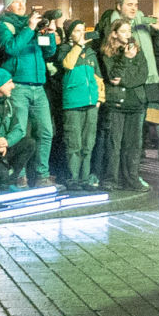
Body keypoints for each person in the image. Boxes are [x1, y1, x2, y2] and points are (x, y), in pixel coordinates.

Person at [0, 0, 56, 189]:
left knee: (46, 131)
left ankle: (42, 174)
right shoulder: (4, 25)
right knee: (20, 132)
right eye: (16, 2)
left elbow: (49, 52)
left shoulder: (32, 26)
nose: (21, 5)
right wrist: (29, 28)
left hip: (38, 86)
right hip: (18, 85)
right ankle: (20, 175)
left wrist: (49, 35)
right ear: (7, 6)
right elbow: (10, 48)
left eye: (22, 1)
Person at [98, 0, 159, 192]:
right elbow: (112, 76)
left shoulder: (137, 47)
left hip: (136, 101)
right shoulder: (109, 51)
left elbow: (141, 74)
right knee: (114, 144)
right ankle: (111, 179)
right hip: (117, 103)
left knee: (134, 145)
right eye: (123, 31)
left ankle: (131, 179)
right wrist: (126, 60)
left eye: (129, 31)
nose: (128, 34)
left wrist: (126, 79)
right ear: (115, 33)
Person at [54, 15, 102, 188]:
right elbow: (67, 64)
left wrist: (99, 99)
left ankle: (85, 178)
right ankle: (73, 178)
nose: (81, 34)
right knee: (74, 143)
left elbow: (98, 78)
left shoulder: (90, 53)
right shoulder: (64, 49)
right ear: (70, 34)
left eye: (83, 30)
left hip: (91, 104)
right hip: (73, 104)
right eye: (77, 31)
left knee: (88, 144)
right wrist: (78, 46)